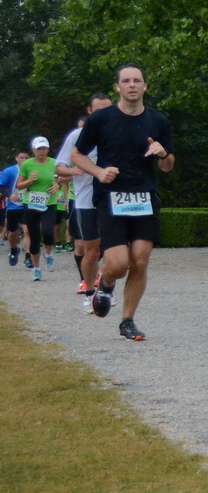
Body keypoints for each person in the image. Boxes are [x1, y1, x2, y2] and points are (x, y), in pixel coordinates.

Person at [71, 63, 175, 341]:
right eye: (126, 81)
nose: (132, 85)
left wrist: (163, 154)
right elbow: (76, 155)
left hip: (144, 197)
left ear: (145, 86)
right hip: (111, 197)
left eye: (137, 81)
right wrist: (98, 172)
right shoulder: (101, 119)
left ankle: (127, 321)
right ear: (117, 87)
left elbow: (168, 166)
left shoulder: (158, 121)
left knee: (140, 261)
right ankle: (106, 284)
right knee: (118, 265)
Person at [55, 94, 112, 309]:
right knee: (92, 250)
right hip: (86, 200)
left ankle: (106, 289)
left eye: (107, 110)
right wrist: (73, 170)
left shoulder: (118, 132)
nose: (103, 115)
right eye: (98, 111)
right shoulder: (77, 136)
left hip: (113, 199)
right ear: (89, 112)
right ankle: (89, 292)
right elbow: (59, 167)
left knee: (115, 251)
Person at [15, 137, 62, 281]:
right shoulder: (27, 164)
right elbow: (19, 185)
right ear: (33, 150)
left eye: (44, 148)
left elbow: (61, 178)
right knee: (34, 237)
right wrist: (30, 180)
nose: (42, 151)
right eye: (39, 148)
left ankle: (48, 254)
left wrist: (58, 185)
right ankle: (36, 269)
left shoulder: (54, 163)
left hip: (49, 203)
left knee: (48, 231)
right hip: (31, 203)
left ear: (48, 149)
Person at [2, 151, 25, 266]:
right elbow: (1, 186)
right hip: (13, 205)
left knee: (28, 230)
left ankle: (29, 256)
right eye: (21, 157)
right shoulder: (9, 171)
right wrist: (9, 195)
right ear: (17, 158)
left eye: (26, 158)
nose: (24, 160)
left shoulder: (33, 170)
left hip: (28, 205)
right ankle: (14, 249)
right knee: (12, 232)